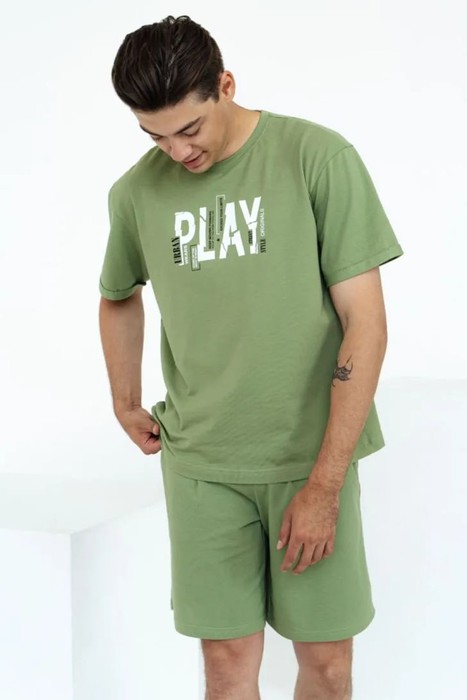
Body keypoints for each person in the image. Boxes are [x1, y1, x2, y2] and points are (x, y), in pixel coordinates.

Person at [98, 14, 404, 700]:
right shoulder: (136, 193)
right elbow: (118, 295)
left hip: (307, 459)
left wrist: (324, 485)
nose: (177, 152)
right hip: (203, 463)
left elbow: (365, 325)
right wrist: (124, 400)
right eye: (155, 136)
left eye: (189, 129)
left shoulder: (316, 157)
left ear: (226, 85)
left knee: (327, 664)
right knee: (225, 665)